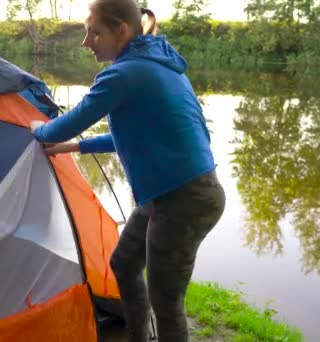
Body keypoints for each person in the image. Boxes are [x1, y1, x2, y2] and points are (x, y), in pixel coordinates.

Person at [29, 0, 226, 341]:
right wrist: (76, 147)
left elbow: (61, 126)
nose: (86, 42)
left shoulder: (125, 74)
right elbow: (138, 133)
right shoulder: (154, 64)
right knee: (124, 263)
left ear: (121, 30)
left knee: (167, 301)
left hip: (184, 199)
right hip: (170, 194)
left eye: (94, 33)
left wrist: (35, 128)